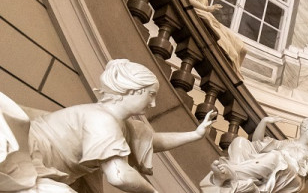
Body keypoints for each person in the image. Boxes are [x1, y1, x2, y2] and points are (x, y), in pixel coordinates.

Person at [0, 59, 215, 193]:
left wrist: (194, 135)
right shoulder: (103, 120)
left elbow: (150, 141)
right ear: (132, 90)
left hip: (41, 166)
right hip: (24, 160)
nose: (153, 104)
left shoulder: (120, 124)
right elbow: (119, 175)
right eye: (150, 95)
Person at [199, 116, 308, 193]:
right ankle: (233, 181)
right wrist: (264, 122)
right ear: (304, 129)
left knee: (277, 157)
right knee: (240, 142)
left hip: (291, 178)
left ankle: (230, 173)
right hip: (274, 167)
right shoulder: (284, 143)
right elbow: (257, 143)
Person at [177, 0, 246, 75]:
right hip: (201, 15)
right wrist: (205, 8)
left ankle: (233, 72)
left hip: (208, 17)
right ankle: (231, 73)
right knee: (232, 53)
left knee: (242, 48)